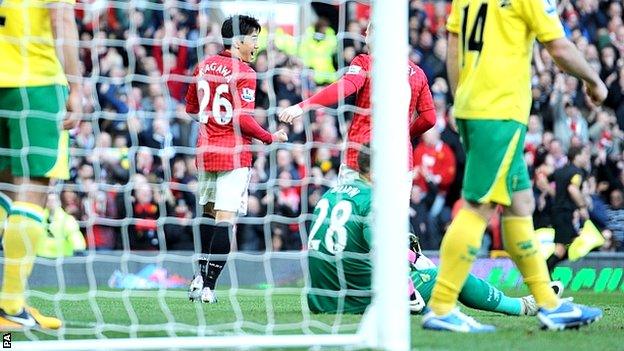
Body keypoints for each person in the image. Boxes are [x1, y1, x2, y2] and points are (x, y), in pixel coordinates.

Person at [424, 0, 608, 332]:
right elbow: (558, 46)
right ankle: (441, 306)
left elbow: (454, 46)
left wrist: (462, 99)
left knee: (519, 204)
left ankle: (549, 305)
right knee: (479, 206)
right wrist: (595, 81)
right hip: (501, 112)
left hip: (474, 107)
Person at [306, 148, 563, 316]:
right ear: (373, 172)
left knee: (424, 266)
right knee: (451, 275)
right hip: (357, 301)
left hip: (320, 299)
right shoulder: (374, 200)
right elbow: (383, 252)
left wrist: (414, 258)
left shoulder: (332, 193)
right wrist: (407, 290)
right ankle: (521, 306)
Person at [184, 15, 288, 303]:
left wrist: (213, 125)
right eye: (254, 38)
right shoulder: (245, 72)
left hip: (206, 151)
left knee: (207, 214)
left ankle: (199, 276)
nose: (257, 44)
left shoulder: (203, 65)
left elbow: (191, 108)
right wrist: (270, 137)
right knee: (224, 221)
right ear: (239, 40)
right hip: (233, 154)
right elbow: (243, 119)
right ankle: (208, 287)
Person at [0, 0, 82, 329]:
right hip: (35, 83)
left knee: (4, 188)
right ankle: (10, 306)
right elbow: (60, 16)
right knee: (33, 188)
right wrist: (77, 87)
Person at [279, 22, 436, 184]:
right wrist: (404, 135)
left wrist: (302, 106)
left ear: (370, 35)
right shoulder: (417, 74)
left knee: (352, 208)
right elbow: (429, 118)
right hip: (399, 161)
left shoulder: (365, 62)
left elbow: (347, 87)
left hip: (362, 158)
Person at [546, 146, 590, 271]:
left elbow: (543, 179)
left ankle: (547, 272)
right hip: (564, 213)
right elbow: (572, 189)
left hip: (558, 212)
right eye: (584, 154)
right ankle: (544, 272)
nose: (587, 157)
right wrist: (582, 207)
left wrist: (554, 194)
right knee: (560, 248)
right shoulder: (577, 172)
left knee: (570, 243)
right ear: (577, 156)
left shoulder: (560, 171)